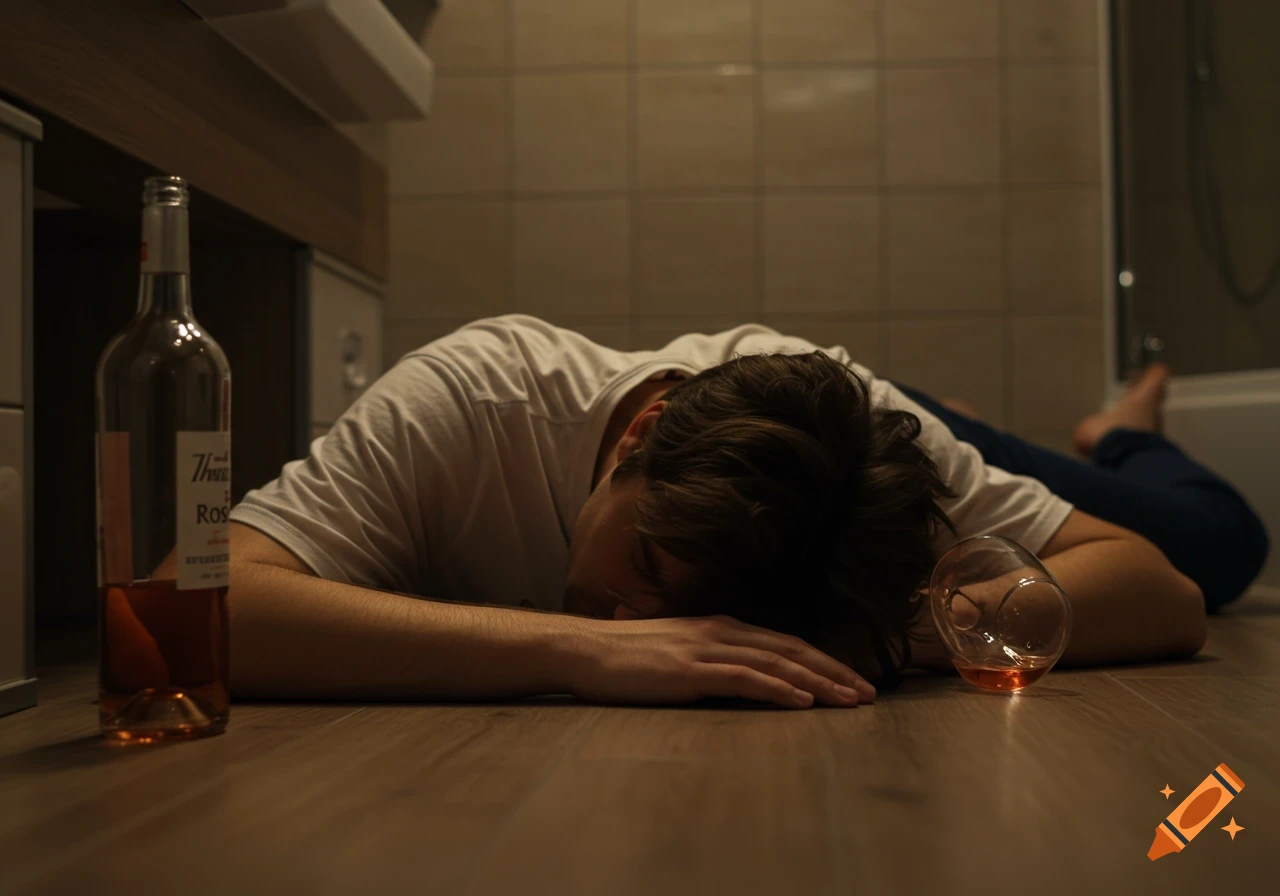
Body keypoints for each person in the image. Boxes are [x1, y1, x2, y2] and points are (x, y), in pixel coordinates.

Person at [226, 316, 1267, 709]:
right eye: (648, 562)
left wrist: (853, 633)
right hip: (797, 391)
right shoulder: (472, 396)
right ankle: (1071, 426)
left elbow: (1157, 591)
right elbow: (214, 602)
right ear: (633, 444)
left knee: (1220, 546)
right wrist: (574, 652)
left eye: (700, 611)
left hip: (887, 412)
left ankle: (1118, 430)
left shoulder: (863, 457)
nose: (644, 622)